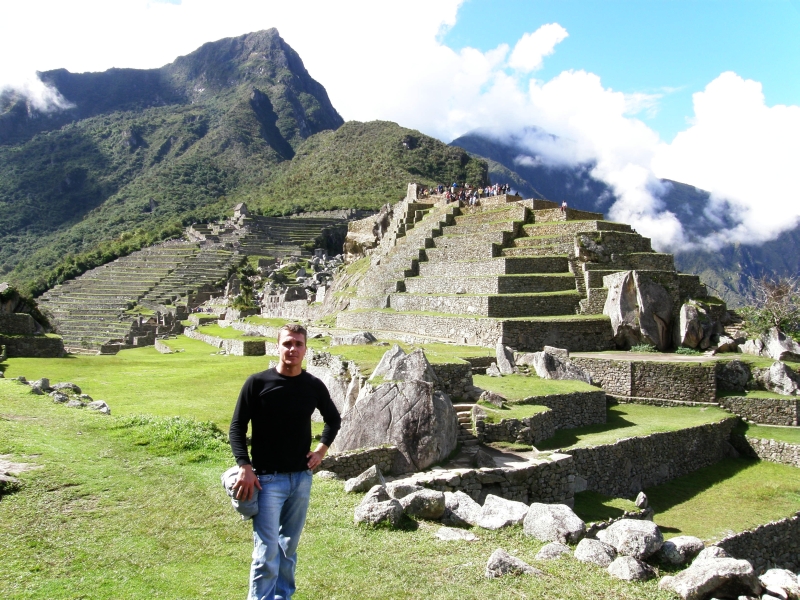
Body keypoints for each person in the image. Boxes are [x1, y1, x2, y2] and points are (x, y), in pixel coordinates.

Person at [229, 323, 341, 600]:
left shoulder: (313, 385)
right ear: (277, 347)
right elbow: (237, 426)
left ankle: (283, 597)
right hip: (266, 480)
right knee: (266, 551)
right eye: (287, 343)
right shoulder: (257, 383)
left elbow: (333, 419)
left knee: (288, 549)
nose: (292, 349)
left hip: (300, 479)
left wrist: (321, 452)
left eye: (298, 344)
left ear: (305, 349)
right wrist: (245, 466)